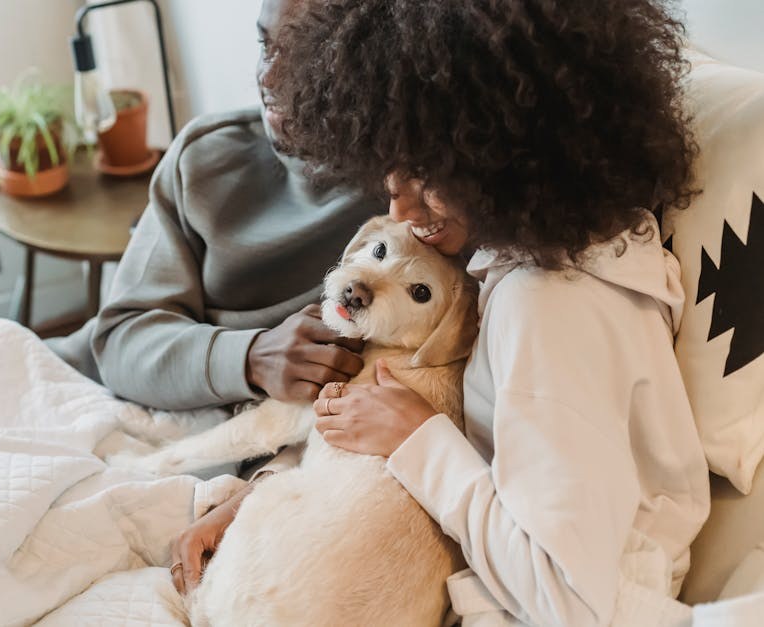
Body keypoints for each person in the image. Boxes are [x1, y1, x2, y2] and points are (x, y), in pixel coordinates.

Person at [180, 1, 712, 625]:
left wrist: (417, 438)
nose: (399, 206)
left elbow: (571, 600)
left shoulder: (549, 307)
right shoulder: (557, 253)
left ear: (507, 151)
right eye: (392, 166)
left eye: (425, 173)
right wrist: (259, 496)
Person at [49, 0, 375, 591]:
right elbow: (118, 338)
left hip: (257, 459)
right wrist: (251, 356)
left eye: (301, 56)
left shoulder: (409, 208)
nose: (268, 78)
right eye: (264, 45)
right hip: (89, 388)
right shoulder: (206, 158)